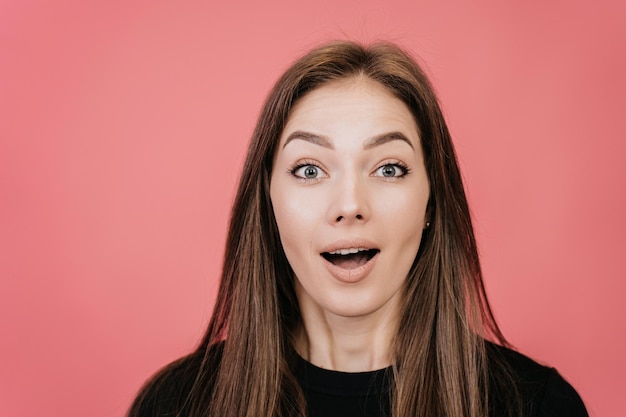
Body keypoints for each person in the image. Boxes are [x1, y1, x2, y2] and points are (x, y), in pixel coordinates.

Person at [128, 40, 588, 417]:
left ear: (433, 198)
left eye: (388, 169)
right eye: (309, 170)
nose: (349, 206)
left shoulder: (539, 406)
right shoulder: (174, 405)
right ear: (268, 202)